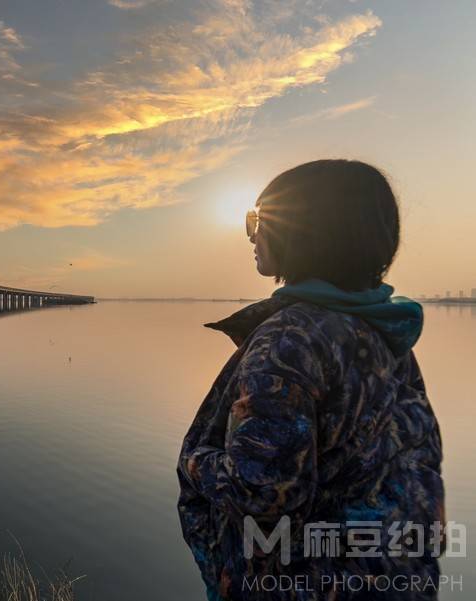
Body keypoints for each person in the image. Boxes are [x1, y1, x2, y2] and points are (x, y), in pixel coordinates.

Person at [177, 160, 445, 600]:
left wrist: (195, 457)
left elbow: (264, 496)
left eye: (259, 220)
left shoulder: (290, 341)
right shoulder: (388, 336)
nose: (251, 234)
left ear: (304, 231)